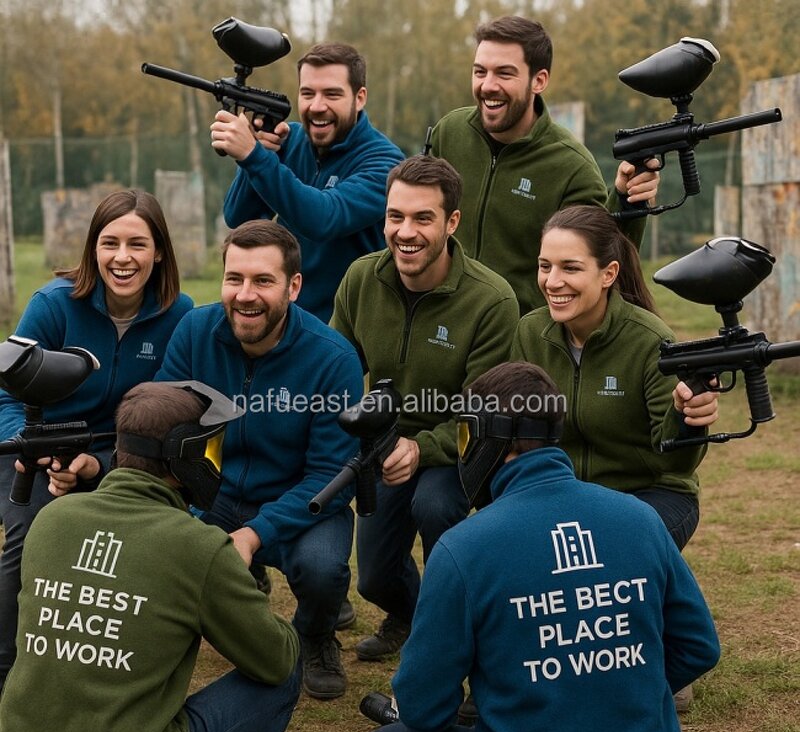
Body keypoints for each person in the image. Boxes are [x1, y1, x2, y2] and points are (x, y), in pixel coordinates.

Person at [360, 361, 721, 732]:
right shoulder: (640, 519)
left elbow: (423, 708)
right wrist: (612, 694)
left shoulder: (464, 548)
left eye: (464, 435)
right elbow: (699, 645)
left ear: (485, 437)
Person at [0, 381, 300, 732]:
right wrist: (230, 580)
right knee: (290, 667)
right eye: (210, 449)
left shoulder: (52, 519)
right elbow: (275, 660)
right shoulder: (197, 545)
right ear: (186, 456)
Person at [154, 219, 363, 701]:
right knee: (158, 540)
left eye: (263, 281)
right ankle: (179, 625)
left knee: (323, 567)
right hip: (213, 492)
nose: (245, 295)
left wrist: (255, 533)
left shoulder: (333, 359)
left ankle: (314, 635)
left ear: (293, 287)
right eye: (235, 278)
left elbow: (332, 474)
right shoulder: (194, 331)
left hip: (300, 499)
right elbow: (163, 423)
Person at [0, 189, 193, 694]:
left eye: (137, 244)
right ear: (92, 249)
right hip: (33, 452)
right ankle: (4, 672)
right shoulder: (53, 305)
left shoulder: (180, 315)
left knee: (143, 548)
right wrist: (36, 452)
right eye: (109, 243)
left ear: (159, 252)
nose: (122, 258)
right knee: (29, 539)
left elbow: (166, 414)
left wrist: (96, 465)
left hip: (125, 459)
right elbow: (4, 398)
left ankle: (124, 675)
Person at [330, 155, 519, 661]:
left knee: (434, 505)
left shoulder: (491, 300)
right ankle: (412, 615)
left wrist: (421, 446)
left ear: (451, 222)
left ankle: (452, 635)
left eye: (422, 218)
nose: (404, 232)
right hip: (382, 443)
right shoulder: (360, 279)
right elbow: (336, 369)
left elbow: (482, 413)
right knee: (371, 577)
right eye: (396, 217)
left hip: (458, 447)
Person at [510, 204, 719, 552]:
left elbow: (676, 463)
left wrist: (687, 420)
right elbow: (519, 432)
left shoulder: (650, 339)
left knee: (604, 554)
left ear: (608, 274)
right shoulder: (529, 332)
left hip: (650, 494)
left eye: (570, 268)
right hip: (561, 492)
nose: (552, 281)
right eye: (545, 266)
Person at [430, 15, 661, 315]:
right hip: (442, 325)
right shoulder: (449, 132)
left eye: (504, 73)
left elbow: (599, 260)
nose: (488, 85)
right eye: (480, 71)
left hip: (519, 342)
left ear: (539, 80)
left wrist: (626, 199)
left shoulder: (570, 167)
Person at [211, 42, 405, 324]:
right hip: (283, 321)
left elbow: (325, 218)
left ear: (359, 97)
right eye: (307, 93)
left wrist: (254, 157)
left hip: (348, 329)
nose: (317, 106)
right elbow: (238, 217)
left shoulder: (385, 162)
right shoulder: (289, 140)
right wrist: (258, 154)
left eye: (332, 94)